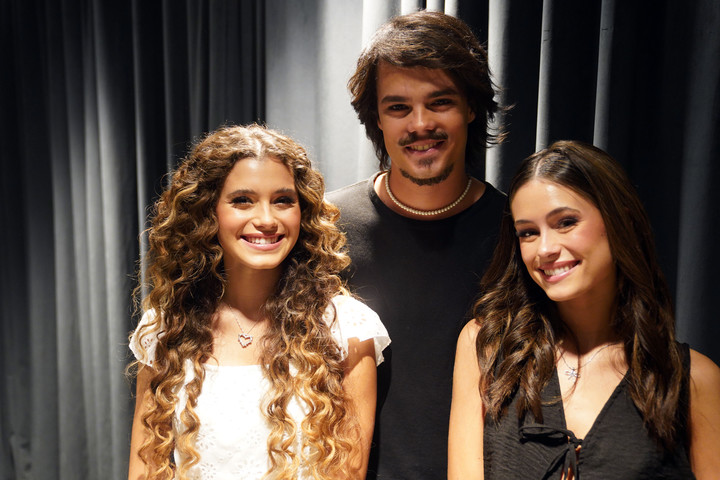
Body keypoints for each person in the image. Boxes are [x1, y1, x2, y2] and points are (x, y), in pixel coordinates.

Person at [127, 124, 390, 480]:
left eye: (283, 200)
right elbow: (145, 469)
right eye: (242, 200)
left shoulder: (346, 329)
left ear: (303, 212)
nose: (266, 219)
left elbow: (348, 472)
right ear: (208, 212)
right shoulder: (166, 327)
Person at [448, 140, 720, 479]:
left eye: (565, 222)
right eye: (528, 232)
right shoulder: (486, 346)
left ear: (618, 220)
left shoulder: (694, 380)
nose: (544, 249)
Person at [326, 10, 506, 478]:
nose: (420, 124)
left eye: (440, 101)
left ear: (470, 106)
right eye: (398, 107)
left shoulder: (519, 234)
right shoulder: (324, 227)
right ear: (377, 120)